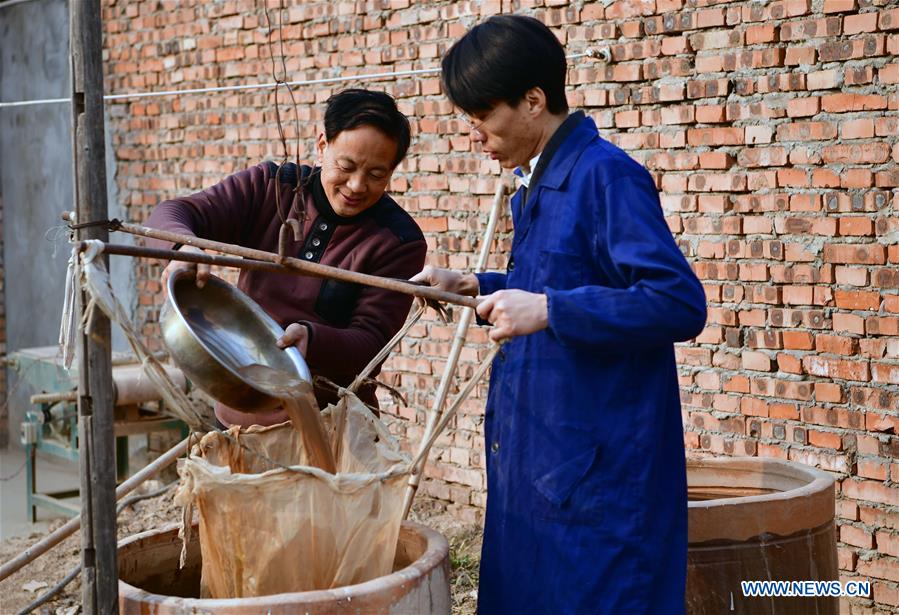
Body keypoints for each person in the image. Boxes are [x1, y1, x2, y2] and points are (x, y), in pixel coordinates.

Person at [411, 15, 708, 614]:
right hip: (543, 460)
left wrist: (549, 309)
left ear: (533, 101)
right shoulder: (539, 181)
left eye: (482, 118)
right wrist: (477, 284)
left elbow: (677, 302)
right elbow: (564, 282)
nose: (476, 135)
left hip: (601, 476)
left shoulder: (605, 176)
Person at [148, 88, 426, 427]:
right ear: (322, 144)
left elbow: (371, 342)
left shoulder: (398, 240)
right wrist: (184, 247)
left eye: (376, 175)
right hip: (240, 420)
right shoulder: (271, 187)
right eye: (346, 166)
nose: (356, 185)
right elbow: (174, 212)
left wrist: (313, 338)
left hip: (335, 428)